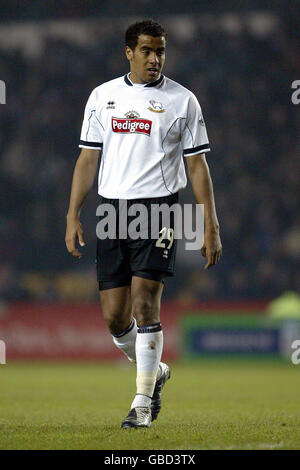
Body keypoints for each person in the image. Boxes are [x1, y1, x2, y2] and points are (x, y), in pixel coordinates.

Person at [65, 19, 222, 429]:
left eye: (161, 52)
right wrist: (72, 214)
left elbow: (197, 165)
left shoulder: (183, 101)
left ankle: (141, 403)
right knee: (115, 317)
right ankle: (156, 371)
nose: (155, 59)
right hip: (112, 212)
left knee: (145, 301)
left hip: (158, 210)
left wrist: (210, 223)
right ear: (129, 52)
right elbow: (87, 160)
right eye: (148, 51)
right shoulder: (102, 97)